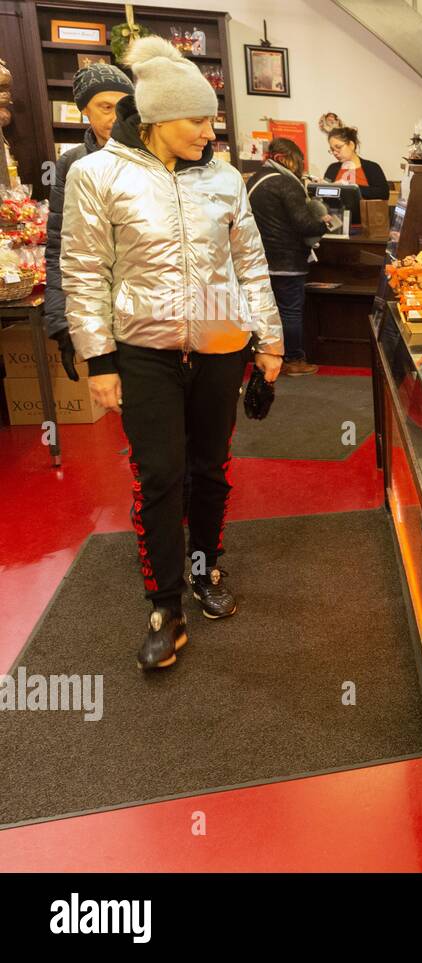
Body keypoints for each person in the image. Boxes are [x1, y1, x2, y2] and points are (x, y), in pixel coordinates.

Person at [61, 36, 283, 671]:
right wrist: (98, 360)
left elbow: (250, 265)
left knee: (211, 466)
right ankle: (165, 604)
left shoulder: (223, 177)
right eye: (196, 118)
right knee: (159, 473)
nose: (208, 131)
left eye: (212, 118)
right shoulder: (97, 173)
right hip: (144, 346)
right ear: (156, 117)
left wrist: (269, 340)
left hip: (217, 339)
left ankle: (205, 566)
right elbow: (83, 270)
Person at [44, 63, 135, 378]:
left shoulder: (153, 158)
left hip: (146, 313)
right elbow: (61, 247)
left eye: (122, 106)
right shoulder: (73, 164)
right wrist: (62, 324)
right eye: (105, 107)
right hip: (98, 306)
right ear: (85, 110)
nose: (115, 116)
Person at [247, 138, 332, 376]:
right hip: (287, 260)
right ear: (284, 159)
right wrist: (325, 223)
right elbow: (305, 225)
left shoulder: (255, 179)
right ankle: (294, 360)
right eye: (299, 161)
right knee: (290, 311)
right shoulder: (286, 183)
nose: (301, 167)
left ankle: (265, 357)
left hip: (259, 260)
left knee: (264, 312)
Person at [323, 126, 389, 201]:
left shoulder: (372, 167)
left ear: (351, 145)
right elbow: (325, 197)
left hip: (364, 212)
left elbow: (384, 194)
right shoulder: (332, 168)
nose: (335, 153)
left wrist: (350, 187)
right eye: (332, 150)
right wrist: (320, 186)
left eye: (338, 147)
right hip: (335, 212)